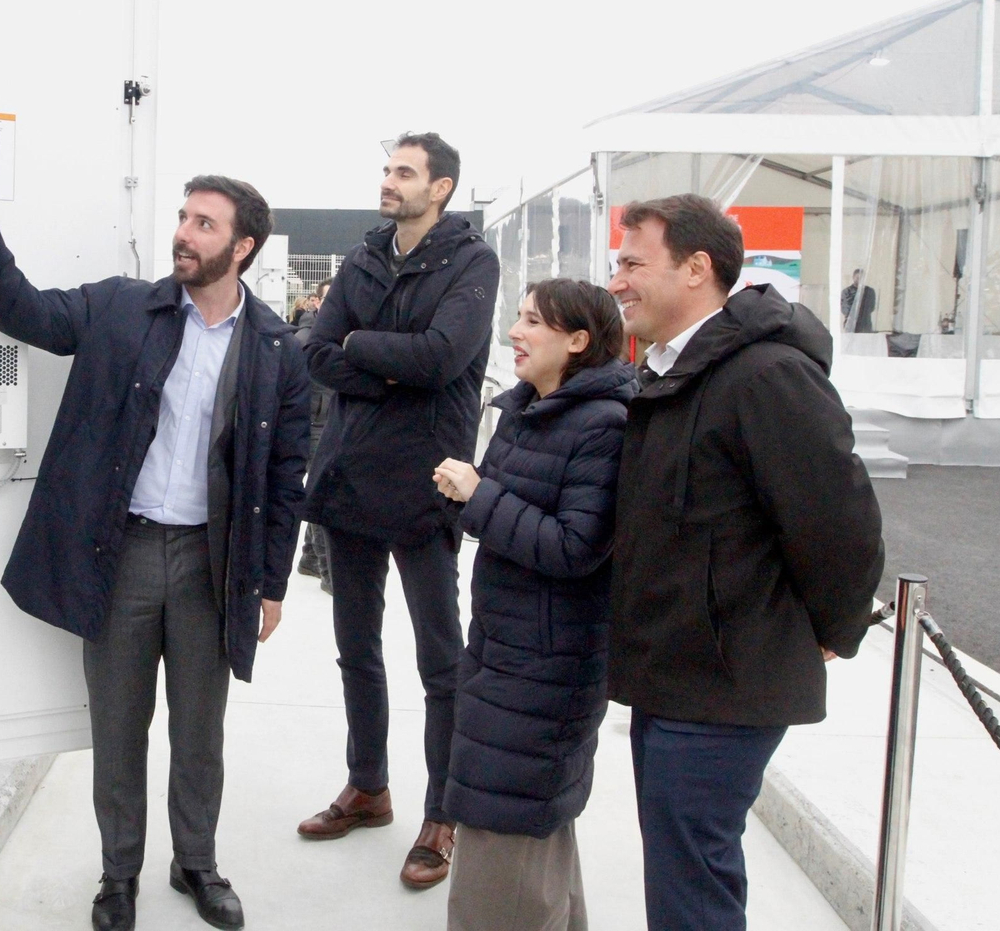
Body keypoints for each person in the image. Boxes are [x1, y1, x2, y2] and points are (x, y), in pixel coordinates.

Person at [0, 148, 311, 931]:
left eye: (205, 224)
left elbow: (284, 476)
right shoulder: (121, 308)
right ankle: (118, 875)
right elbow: (22, 310)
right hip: (123, 552)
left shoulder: (275, 349)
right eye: (184, 217)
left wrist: (271, 583)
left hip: (211, 564)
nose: (184, 233)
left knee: (198, 734)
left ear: (243, 247)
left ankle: (196, 864)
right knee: (119, 731)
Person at [608, 194, 884, 931]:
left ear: (697, 267)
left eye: (633, 263)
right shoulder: (674, 371)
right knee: (682, 874)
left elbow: (840, 525)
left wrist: (835, 630)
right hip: (674, 678)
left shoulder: (764, 376)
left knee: (691, 890)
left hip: (723, 686)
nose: (616, 281)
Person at [297, 132, 500, 889]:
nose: (389, 181)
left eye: (404, 172)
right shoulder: (364, 256)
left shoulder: (472, 263)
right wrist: (382, 362)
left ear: (440, 188)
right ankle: (368, 788)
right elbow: (316, 353)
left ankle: (442, 815)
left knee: (441, 662)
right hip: (350, 478)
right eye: (387, 169)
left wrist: (357, 342)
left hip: (426, 483)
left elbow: (444, 358)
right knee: (356, 647)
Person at [432, 280, 634, 931]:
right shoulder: (527, 409)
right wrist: (465, 497)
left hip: (545, 668)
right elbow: (504, 516)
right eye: (518, 318)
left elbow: (578, 547)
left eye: (532, 322)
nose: (515, 332)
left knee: (508, 829)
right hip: (505, 651)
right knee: (530, 833)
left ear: (577, 341)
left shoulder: (603, 425)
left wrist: (480, 496)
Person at [294, 280, 334, 591]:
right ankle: (328, 571)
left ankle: (309, 558)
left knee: (321, 488)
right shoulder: (307, 336)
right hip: (313, 424)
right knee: (323, 494)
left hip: (330, 421)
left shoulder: (335, 332)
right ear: (316, 302)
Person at [841, 268, 878, 333]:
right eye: (857, 278)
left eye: (861, 278)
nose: (859, 280)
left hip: (865, 325)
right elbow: (844, 309)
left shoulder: (869, 291)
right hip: (850, 325)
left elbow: (871, 307)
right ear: (853, 277)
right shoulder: (846, 291)